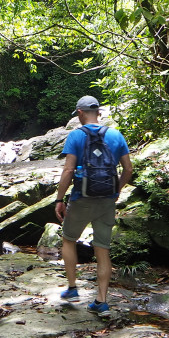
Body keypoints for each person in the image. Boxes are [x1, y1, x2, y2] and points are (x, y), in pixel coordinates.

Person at [53, 95, 133, 313]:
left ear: (80, 113)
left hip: (82, 198)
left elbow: (69, 170)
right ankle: (101, 301)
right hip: (107, 199)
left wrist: (59, 199)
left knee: (69, 239)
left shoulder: (76, 135)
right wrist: (117, 190)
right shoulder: (116, 135)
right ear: (98, 112)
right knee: (102, 249)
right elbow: (128, 169)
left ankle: (72, 288)